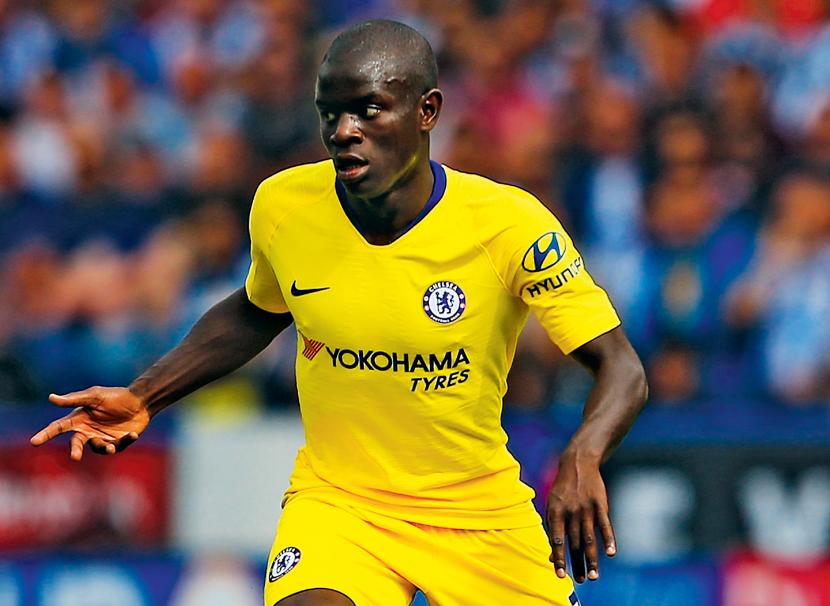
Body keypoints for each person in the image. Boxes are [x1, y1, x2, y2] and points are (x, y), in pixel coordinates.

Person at [31, 20, 648, 606]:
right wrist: (146, 394)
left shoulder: (508, 225)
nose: (344, 131)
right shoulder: (285, 206)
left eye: (369, 110)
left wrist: (583, 455)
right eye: (330, 113)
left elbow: (621, 368)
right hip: (342, 505)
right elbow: (257, 310)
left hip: (476, 513)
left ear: (427, 111)